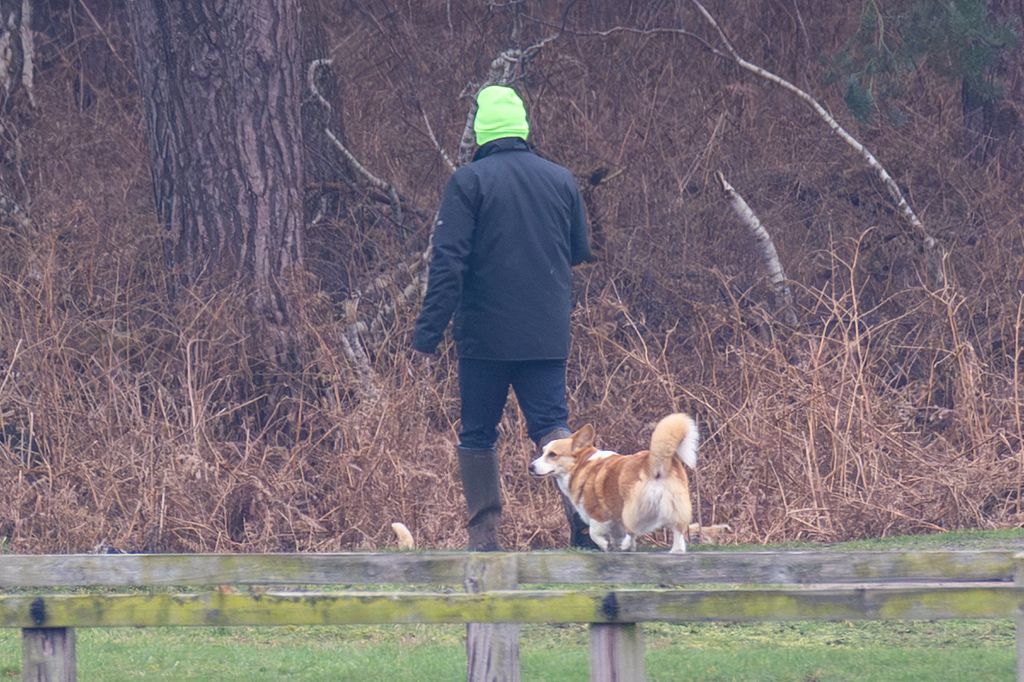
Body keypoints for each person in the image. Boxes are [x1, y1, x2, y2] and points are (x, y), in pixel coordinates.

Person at [412, 84, 595, 551]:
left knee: (477, 432)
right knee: (553, 426)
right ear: (523, 128)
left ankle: (485, 537)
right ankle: (586, 525)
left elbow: (447, 262)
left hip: (484, 338)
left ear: (480, 133)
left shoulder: (468, 183)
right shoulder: (561, 179)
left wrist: (428, 333)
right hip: (545, 334)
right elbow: (578, 251)